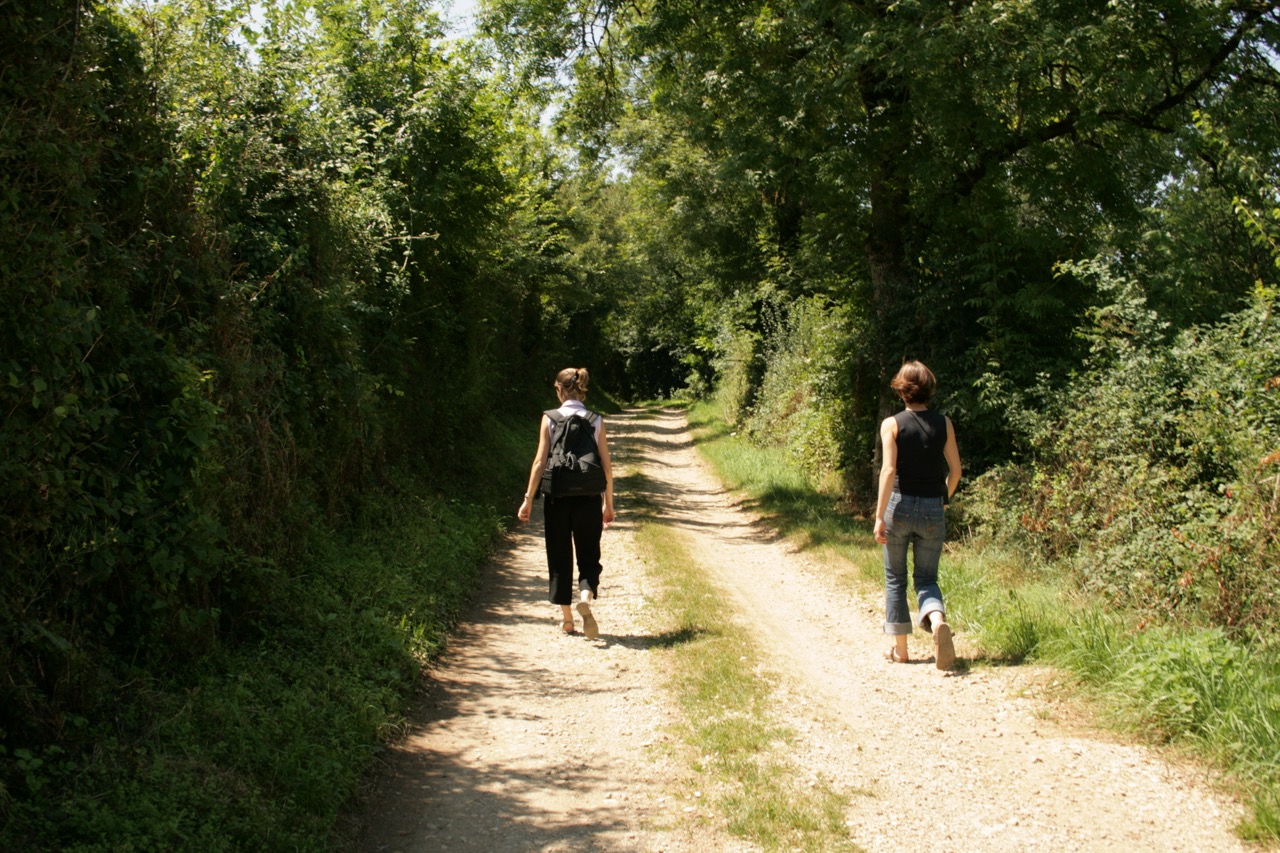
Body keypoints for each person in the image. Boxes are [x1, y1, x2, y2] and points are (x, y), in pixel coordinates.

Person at [873, 360, 962, 670]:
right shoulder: (945, 423)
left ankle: (901, 649)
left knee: (896, 578)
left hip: (899, 506)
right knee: (927, 578)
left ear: (901, 389)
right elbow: (956, 470)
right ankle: (937, 622)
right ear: (928, 389)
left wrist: (879, 515)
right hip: (933, 507)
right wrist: (943, 500)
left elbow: (888, 470)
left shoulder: (892, 424)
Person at [517, 367, 615, 638]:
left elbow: (539, 462)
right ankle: (585, 595)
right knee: (589, 553)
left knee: (559, 556)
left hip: (557, 497)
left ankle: (568, 619)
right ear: (582, 389)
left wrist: (528, 500)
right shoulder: (596, 420)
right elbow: (606, 467)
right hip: (588, 498)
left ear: (559, 390)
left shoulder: (549, 418)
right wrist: (609, 503)